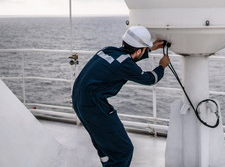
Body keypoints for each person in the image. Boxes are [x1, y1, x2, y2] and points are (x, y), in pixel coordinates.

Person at [72, 26, 170, 167]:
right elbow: (150, 79)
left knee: (104, 146)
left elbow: (124, 60)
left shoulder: (109, 50)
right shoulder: (126, 65)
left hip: (78, 99)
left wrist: (149, 48)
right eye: (144, 49)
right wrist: (162, 66)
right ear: (139, 50)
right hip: (93, 105)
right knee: (123, 150)